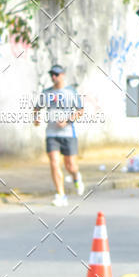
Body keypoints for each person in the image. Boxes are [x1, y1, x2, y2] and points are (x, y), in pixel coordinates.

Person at [34, 64, 84, 207]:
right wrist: (36, 118)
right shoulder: (46, 93)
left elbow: (80, 110)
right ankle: (61, 194)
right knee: (54, 163)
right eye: (52, 75)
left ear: (63, 75)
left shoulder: (70, 92)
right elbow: (37, 108)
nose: (53, 77)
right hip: (52, 134)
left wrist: (67, 121)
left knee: (71, 166)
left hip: (68, 134)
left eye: (56, 74)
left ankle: (76, 176)